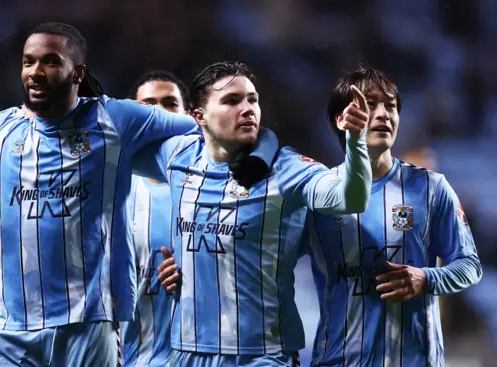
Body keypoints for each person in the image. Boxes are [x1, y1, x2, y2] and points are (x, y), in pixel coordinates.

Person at [0, 23, 279, 366]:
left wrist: (260, 152)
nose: (36, 72)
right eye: (28, 61)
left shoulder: (115, 118)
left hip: (88, 328)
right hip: (12, 333)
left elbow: (207, 129)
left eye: (51, 61)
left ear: (78, 73)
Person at [142, 61, 373, 366]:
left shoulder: (286, 168)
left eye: (253, 99)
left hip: (262, 356)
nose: (248, 108)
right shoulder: (177, 155)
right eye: (232, 101)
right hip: (188, 352)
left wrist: (357, 142)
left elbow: (351, 198)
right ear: (199, 117)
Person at [301, 67, 482, 366]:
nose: (384, 113)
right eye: (370, 104)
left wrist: (426, 278)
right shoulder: (314, 195)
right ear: (341, 119)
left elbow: (469, 266)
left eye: (392, 105)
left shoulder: (430, 188)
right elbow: (273, 268)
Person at [120, 70, 190, 366]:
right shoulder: (112, 193)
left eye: (170, 104)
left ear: (190, 116)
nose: (160, 114)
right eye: (149, 104)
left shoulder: (214, 189)